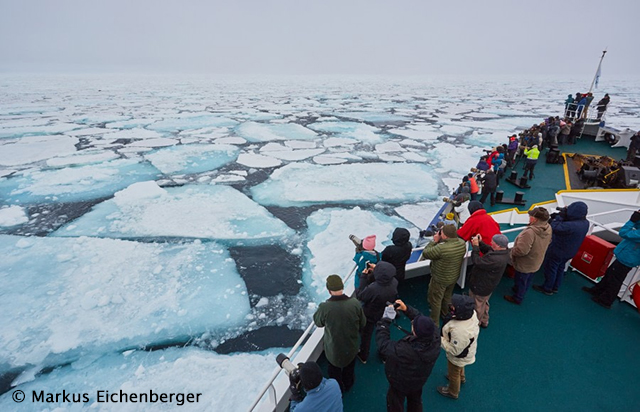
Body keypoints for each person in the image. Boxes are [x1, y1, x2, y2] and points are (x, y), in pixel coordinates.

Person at [376, 300, 440, 412]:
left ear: (415, 332)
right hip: (419, 379)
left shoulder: (405, 351)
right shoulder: (435, 337)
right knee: (415, 400)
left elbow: (383, 345)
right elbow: (421, 319)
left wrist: (384, 321)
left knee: (395, 403)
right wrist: (406, 309)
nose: (412, 323)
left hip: (400, 382)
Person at [313, 274, 366, 392]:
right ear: (342, 287)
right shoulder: (355, 303)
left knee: (334, 371)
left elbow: (318, 323)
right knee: (349, 368)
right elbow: (363, 322)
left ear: (329, 290)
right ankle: (348, 383)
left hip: (334, 349)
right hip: (351, 346)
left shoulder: (325, 307)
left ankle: (338, 389)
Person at [582, 210, 640, 308]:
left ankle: (606, 300)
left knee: (615, 280)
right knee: (610, 274)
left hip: (627, 259)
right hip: (627, 256)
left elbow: (623, 233)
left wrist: (632, 220)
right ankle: (598, 290)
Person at [533, 202, 590, 295]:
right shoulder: (585, 223)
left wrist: (560, 217)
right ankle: (555, 287)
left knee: (551, 268)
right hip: (570, 251)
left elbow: (554, 227)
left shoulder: (570, 226)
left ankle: (547, 288)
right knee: (560, 268)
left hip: (558, 250)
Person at [419, 224, 467, 323]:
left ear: (445, 236)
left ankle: (434, 323)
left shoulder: (441, 248)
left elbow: (426, 253)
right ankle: (445, 314)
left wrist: (434, 241)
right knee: (447, 297)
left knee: (435, 300)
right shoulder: (462, 243)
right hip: (453, 276)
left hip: (440, 279)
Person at [504, 207, 552, 305]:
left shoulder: (530, 232)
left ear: (535, 219)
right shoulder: (548, 228)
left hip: (525, 262)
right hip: (536, 260)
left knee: (521, 279)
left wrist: (512, 251)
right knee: (528, 278)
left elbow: (522, 250)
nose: (529, 217)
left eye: (530, 216)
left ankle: (518, 297)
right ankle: (518, 289)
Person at [437, 294, 480, 400]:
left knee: (454, 372)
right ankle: (462, 378)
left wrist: (439, 339)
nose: (451, 306)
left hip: (458, 356)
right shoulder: (471, 314)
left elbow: (454, 350)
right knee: (460, 366)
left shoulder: (460, 331)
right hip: (466, 352)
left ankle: (453, 391)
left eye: (453, 306)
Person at [356, 261, 398, 363]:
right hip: (384, 313)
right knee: (383, 334)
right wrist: (377, 269)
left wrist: (363, 277)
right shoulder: (394, 282)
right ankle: (384, 355)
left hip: (370, 314)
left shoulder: (373, 288)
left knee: (366, 335)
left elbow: (360, 296)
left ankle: (363, 355)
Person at [468, 234, 510, 328]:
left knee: (477, 306)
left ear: (498, 245)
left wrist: (475, 247)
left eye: (493, 242)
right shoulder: (504, 252)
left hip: (481, 285)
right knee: (484, 302)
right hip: (489, 285)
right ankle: (484, 320)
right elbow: (489, 250)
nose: (491, 243)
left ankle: (475, 324)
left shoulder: (495, 259)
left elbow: (477, 261)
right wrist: (480, 243)